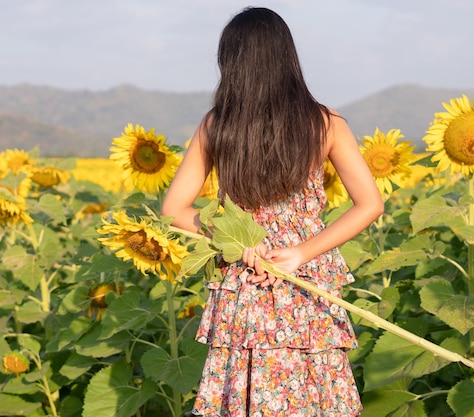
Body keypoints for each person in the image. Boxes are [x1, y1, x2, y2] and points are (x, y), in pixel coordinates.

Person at [161, 6, 384, 416]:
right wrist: (301, 252)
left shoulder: (217, 125)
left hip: (245, 276)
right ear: (287, 59)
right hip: (306, 276)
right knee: (312, 387)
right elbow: (370, 204)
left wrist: (235, 240)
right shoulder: (325, 123)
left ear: (231, 63)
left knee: (246, 385)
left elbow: (174, 209)